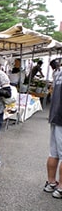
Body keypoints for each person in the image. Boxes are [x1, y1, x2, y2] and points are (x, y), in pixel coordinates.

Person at [44, 60, 62, 197]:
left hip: (55, 116)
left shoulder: (58, 73)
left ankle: (51, 183)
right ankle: (61, 187)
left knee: (54, 152)